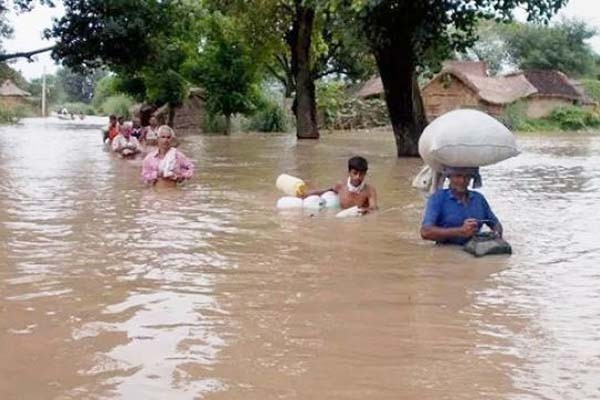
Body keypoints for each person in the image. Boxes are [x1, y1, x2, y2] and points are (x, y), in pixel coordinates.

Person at [420, 166, 503, 245]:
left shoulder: (479, 198)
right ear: (449, 177)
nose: (462, 181)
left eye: (467, 177)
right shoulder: (438, 198)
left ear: (471, 178)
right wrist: (460, 231)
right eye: (458, 176)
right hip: (447, 252)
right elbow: (425, 232)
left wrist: (496, 234)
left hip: (474, 250)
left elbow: (495, 224)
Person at [304, 156, 378, 213]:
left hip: (359, 218)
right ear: (349, 172)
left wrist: (364, 210)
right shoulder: (341, 185)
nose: (358, 177)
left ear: (365, 174)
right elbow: (325, 190)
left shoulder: (369, 190)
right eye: (355, 173)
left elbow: (373, 209)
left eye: (361, 174)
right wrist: (305, 194)